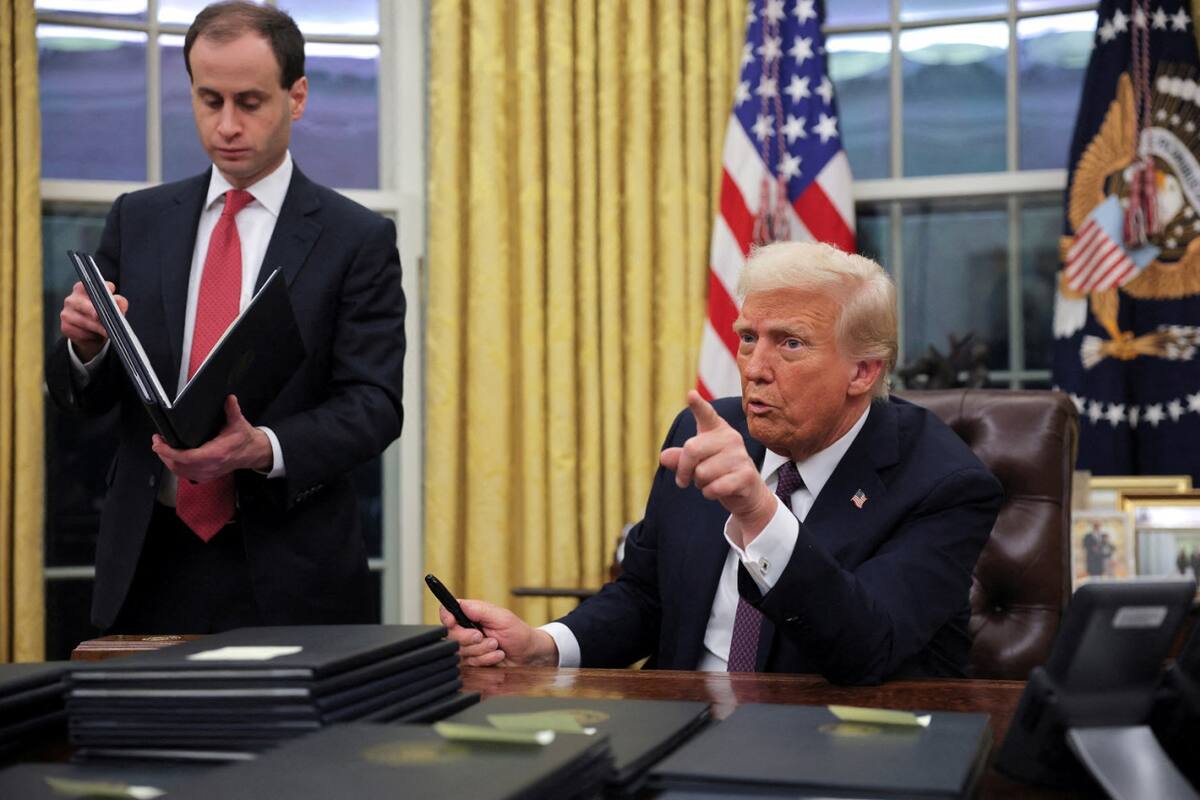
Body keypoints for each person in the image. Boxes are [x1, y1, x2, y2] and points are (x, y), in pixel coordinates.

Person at [441, 241, 1002, 685]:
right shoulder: (707, 431)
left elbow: (866, 650)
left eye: (790, 345)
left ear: (862, 372)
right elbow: (646, 595)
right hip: (681, 724)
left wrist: (759, 512)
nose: (755, 368)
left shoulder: (944, 483)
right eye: (747, 337)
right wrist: (543, 646)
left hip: (833, 748)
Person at [45, 1, 405, 634]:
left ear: (296, 97)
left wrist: (261, 448)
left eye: (250, 102)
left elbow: (374, 406)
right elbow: (84, 399)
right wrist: (85, 349)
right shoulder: (138, 219)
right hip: (147, 555)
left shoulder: (357, 239)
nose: (227, 125)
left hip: (290, 563)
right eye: (210, 100)